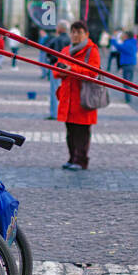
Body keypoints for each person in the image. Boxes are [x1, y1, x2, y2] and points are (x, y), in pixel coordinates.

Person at [54, 20, 102, 171]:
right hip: (67, 97)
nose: (75, 35)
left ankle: (81, 160)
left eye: (79, 32)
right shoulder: (66, 50)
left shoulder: (91, 50)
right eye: (73, 32)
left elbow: (93, 72)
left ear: (86, 34)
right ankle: (71, 157)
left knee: (82, 132)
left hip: (83, 98)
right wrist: (63, 70)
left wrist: (71, 69)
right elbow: (56, 70)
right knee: (70, 131)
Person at [116, 30, 138, 103]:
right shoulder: (133, 42)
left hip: (127, 64)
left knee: (126, 82)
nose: (122, 36)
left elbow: (119, 48)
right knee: (129, 82)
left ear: (127, 36)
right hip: (132, 64)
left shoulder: (127, 43)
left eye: (124, 35)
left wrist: (113, 40)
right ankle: (128, 97)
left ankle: (128, 99)